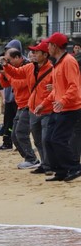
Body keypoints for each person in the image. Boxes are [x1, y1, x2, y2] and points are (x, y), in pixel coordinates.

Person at [34, 32, 81, 182]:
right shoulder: (58, 63)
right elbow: (56, 89)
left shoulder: (68, 61)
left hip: (70, 108)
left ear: (55, 46)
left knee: (58, 139)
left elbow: (74, 86)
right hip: (58, 108)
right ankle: (60, 171)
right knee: (48, 139)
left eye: (49, 44)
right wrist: (43, 104)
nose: (47, 47)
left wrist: (63, 101)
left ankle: (74, 167)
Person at [5, 39, 53, 175]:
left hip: (46, 108)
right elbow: (16, 73)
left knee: (45, 138)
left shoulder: (52, 69)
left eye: (36, 52)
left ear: (45, 55)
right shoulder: (30, 67)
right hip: (32, 108)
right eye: (33, 52)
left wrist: (54, 88)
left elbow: (62, 85)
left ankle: (48, 164)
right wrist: (6, 67)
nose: (33, 54)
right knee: (38, 139)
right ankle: (44, 164)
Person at [3, 46, 39, 169]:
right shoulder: (15, 68)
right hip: (20, 104)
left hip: (28, 104)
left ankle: (32, 159)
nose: (9, 63)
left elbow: (20, 84)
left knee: (21, 133)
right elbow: (5, 84)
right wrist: (3, 73)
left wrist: (8, 74)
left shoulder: (29, 66)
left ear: (18, 57)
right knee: (14, 135)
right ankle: (29, 158)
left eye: (9, 60)